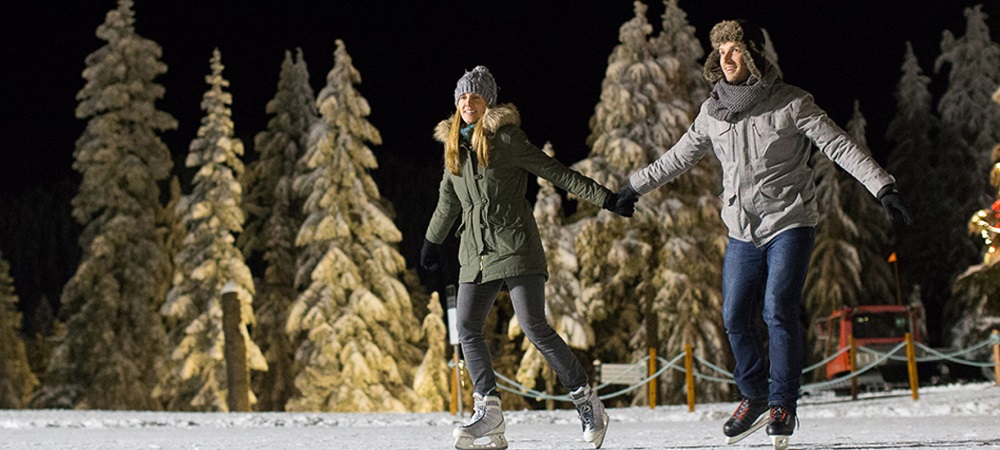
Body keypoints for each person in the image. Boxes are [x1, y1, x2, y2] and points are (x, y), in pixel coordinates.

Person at [615, 20, 912, 446]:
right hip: (741, 232)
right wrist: (633, 187)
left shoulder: (791, 103)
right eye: (720, 51)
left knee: (777, 309)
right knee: (735, 315)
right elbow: (676, 158)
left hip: (789, 223)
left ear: (753, 55)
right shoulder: (713, 112)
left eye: (734, 49)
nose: (726, 58)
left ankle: (782, 404)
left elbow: (839, 145)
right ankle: (754, 396)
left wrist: (883, 187)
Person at [421, 66, 633, 450]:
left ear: (488, 103)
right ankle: (490, 414)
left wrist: (605, 198)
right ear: (456, 105)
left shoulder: (505, 139)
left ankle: (588, 402)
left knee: (534, 326)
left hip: (515, 245)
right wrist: (432, 241)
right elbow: (447, 200)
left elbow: (555, 173)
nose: (468, 103)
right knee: (468, 327)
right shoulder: (454, 148)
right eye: (463, 98)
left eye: (476, 97)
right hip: (476, 252)